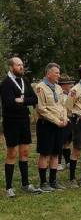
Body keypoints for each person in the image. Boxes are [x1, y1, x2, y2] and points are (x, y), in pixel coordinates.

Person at [1, 57, 41, 197]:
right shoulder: (6, 83)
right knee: (12, 153)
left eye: (22, 65)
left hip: (24, 121)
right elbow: (9, 103)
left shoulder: (25, 81)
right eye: (18, 65)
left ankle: (25, 184)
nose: (21, 67)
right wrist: (23, 101)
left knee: (24, 153)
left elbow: (34, 99)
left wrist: (21, 100)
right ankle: (9, 188)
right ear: (11, 67)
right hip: (11, 122)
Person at [35, 63, 68, 191]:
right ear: (48, 73)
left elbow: (63, 106)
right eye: (56, 73)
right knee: (45, 153)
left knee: (56, 153)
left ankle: (53, 181)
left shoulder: (58, 88)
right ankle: (43, 182)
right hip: (46, 125)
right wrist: (56, 120)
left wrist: (64, 118)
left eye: (59, 73)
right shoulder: (40, 88)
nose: (58, 75)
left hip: (59, 125)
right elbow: (41, 109)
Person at [57, 74, 75, 172]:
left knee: (67, 142)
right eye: (68, 84)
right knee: (60, 142)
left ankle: (68, 162)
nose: (70, 86)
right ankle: (58, 162)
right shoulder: (59, 95)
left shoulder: (69, 94)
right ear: (63, 85)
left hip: (70, 120)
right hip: (62, 120)